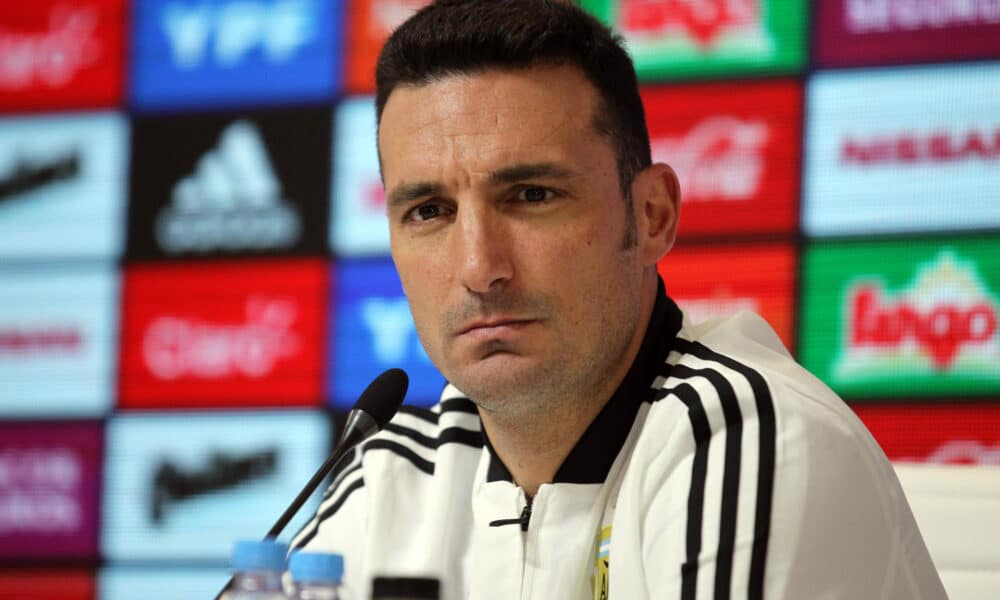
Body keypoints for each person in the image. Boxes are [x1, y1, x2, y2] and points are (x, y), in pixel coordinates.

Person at [291, 1, 947, 598]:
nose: (479, 267)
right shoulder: (387, 477)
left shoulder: (748, 441)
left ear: (652, 216)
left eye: (532, 196)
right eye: (430, 211)